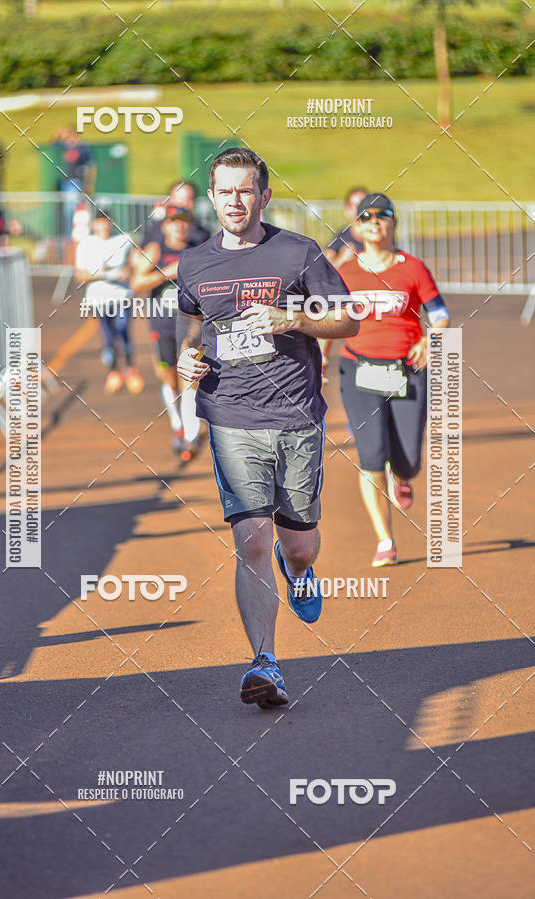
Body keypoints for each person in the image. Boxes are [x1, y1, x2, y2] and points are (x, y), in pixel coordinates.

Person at [176, 148, 358, 709]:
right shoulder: (193, 264)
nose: (235, 200)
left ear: (264, 195)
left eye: (245, 190)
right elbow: (191, 331)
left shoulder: (297, 253)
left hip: (297, 415)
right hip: (231, 416)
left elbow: (348, 318)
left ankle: (298, 567)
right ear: (212, 196)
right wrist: (185, 362)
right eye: (225, 191)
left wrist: (294, 318)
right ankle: (265, 662)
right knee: (251, 537)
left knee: (297, 542)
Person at [334, 192, 450, 567]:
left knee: (408, 460)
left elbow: (440, 314)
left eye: (382, 216)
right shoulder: (345, 271)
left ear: (393, 223)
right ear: (356, 227)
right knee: (371, 455)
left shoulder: (412, 268)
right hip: (358, 369)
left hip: (407, 370)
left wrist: (430, 341)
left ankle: (403, 476)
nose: (374, 222)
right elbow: (330, 319)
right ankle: (385, 540)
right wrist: (318, 361)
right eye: (366, 217)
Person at [132, 205, 201, 461]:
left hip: (191, 324)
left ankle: (190, 437)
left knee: (189, 379)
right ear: (165, 226)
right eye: (173, 221)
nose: (178, 226)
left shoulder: (198, 249)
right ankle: (177, 424)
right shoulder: (156, 250)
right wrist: (166, 274)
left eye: (183, 221)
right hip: (161, 324)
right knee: (168, 378)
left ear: (189, 224)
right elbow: (137, 282)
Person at [76, 207, 144, 396]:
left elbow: (137, 265)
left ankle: (131, 369)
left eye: (106, 221)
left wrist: (128, 272)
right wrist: (99, 274)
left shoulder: (124, 240)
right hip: (98, 298)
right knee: (107, 336)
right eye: (99, 221)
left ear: (111, 223)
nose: (103, 225)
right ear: (93, 224)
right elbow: (79, 274)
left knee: (123, 330)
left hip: (121, 296)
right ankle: (113, 372)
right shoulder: (86, 245)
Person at [143, 180, 211, 248]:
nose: (183, 204)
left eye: (189, 199)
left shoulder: (203, 236)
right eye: (179, 199)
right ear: (169, 201)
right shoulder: (155, 232)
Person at [57, 127, 96, 236]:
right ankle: (68, 236)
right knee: (67, 212)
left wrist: (88, 186)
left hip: (76, 183)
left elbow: (89, 167)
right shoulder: (63, 146)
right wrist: (58, 131)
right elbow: (52, 143)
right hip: (65, 184)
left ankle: (72, 236)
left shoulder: (82, 148)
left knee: (73, 211)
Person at [323, 186, 368, 270]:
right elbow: (324, 269)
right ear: (347, 210)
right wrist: (342, 259)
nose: (360, 209)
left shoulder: (379, 234)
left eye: (364, 204)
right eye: (355, 205)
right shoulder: (340, 238)